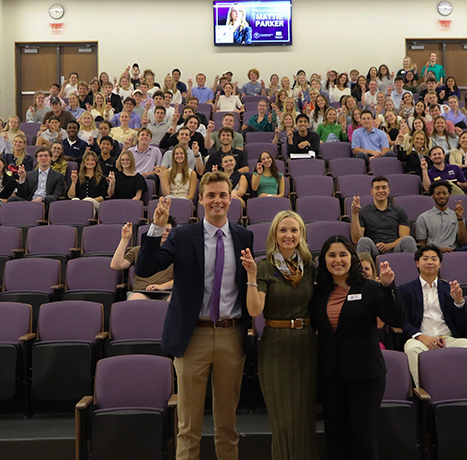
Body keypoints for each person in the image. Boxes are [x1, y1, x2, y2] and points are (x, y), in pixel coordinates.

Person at [135, 173, 254, 460]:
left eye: (222, 195)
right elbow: (146, 268)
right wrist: (156, 227)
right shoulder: (182, 235)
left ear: (231, 199)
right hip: (192, 337)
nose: (217, 201)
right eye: (210, 195)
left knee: (227, 425)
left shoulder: (244, 236)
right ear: (200, 200)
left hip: (231, 335)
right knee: (188, 426)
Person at [310, 235, 403, 460]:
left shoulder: (370, 288)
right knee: (335, 437)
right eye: (332, 255)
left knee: (363, 439)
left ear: (352, 258)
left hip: (365, 376)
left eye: (343, 254)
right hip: (331, 375)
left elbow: (396, 319)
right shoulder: (318, 292)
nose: (337, 260)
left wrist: (389, 287)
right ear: (324, 260)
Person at [237, 211, 318, 460]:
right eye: (283, 230)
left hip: (305, 345)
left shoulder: (310, 267)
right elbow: (254, 310)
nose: (288, 235)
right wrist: (251, 275)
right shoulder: (264, 266)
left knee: (304, 420)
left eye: (294, 230)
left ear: (301, 234)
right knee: (282, 420)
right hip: (275, 346)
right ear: (274, 234)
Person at [399, 244, 467, 386]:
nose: (429, 262)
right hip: (421, 340)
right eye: (425, 258)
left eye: (434, 259)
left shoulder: (448, 289)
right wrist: (420, 336)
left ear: (440, 264)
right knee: (411, 349)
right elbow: (403, 321)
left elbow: (464, 324)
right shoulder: (405, 290)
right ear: (417, 263)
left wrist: (459, 301)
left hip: (447, 339)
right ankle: (423, 391)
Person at [351, 176, 417, 258]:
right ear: (372, 192)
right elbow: (356, 239)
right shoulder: (363, 212)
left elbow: (404, 236)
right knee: (363, 241)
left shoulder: (399, 211)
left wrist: (389, 245)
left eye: (384, 187)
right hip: (373, 249)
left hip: (395, 249)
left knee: (408, 240)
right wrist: (354, 213)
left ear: (388, 190)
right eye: (377, 188)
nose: (381, 191)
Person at [111, 220, 175, 301]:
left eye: (168, 231)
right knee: (135, 300)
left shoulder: (177, 252)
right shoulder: (138, 250)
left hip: (167, 292)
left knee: (174, 301)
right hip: (141, 291)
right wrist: (125, 239)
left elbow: (182, 278)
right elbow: (116, 265)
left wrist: (162, 286)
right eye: (161, 229)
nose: (164, 232)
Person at [415, 181, 467, 251]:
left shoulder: (456, 215)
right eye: (438, 194)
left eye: (444, 193)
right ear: (432, 195)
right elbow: (422, 243)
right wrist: (439, 250)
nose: (442, 196)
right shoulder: (423, 217)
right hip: (434, 252)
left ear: (449, 195)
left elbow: (463, 242)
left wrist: (460, 218)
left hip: (454, 251)